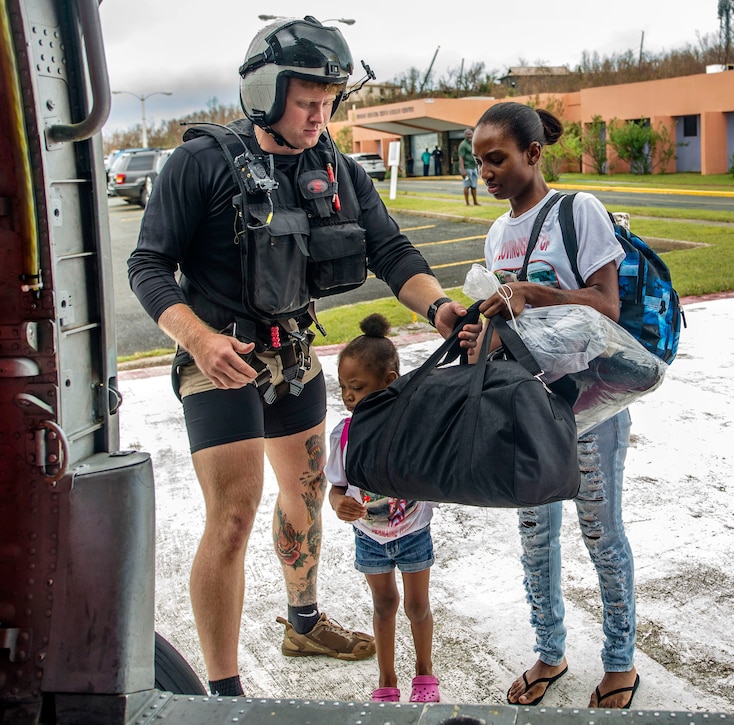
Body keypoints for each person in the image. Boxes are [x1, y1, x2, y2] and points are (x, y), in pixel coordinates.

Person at [126, 16, 476, 698]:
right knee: (233, 512)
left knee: (308, 494)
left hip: (294, 355)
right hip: (217, 355)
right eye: (308, 101)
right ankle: (225, 695)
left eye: (330, 102)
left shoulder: (336, 169)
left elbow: (391, 250)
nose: (322, 116)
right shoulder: (200, 162)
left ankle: (304, 620)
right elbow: (148, 265)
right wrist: (197, 338)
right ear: (265, 91)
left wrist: (440, 309)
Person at [472, 102, 640, 710]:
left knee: (601, 534)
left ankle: (620, 661)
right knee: (536, 539)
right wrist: (480, 335)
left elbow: (608, 305)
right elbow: (515, 327)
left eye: (497, 159)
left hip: (590, 406)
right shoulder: (496, 234)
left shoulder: (577, 211)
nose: (486, 173)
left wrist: (535, 293)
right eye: (479, 162)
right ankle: (550, 650)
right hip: (527, 408)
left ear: (533, 154)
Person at [326, 314, 440, 704]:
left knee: (417, 605)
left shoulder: (414, 426)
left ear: (389, 381)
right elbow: (337, 487)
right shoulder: (344, 433)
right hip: (370, 539)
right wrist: (339, 504)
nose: (348, 397)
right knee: (384, 605)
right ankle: (387, 679)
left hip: (412, 534)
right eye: (343, 388)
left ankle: (425, 675)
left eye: (357, 387)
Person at [458, 128, 480, 206]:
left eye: (471, 134)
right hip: (466, 168)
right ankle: (467, 203)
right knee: (466, 185)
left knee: (474, 185)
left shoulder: (473, 144)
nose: (469, 136)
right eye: (468, 134)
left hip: (473, 167)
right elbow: (461, 158)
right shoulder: (463, 145)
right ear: (465, 135)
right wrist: (463, 170)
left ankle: (475, 202)